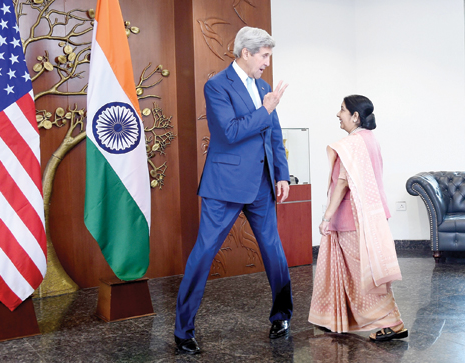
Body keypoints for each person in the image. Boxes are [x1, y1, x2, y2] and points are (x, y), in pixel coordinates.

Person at [174, 26, 293, 354]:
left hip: (262, 185)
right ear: (246, 53)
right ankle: (183, 330)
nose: (267, 62)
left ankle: (282, 315)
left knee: (274, 252)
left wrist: (281, 174)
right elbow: (228, 133)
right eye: (264, 55)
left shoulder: (264, 87)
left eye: (269, 55)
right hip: (224, 186)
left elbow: (274, 134)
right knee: (203, 253)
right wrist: (265, 109)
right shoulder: (216, 86)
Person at [308, 95, 408, 342]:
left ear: (355, 116)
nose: (338, 114)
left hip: (352, 219)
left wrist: (326, 217)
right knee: (361, 272)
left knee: (366, 276)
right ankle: (338, 319)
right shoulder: (370, 140)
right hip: (370, 215)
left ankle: (392, 323)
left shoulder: (351, 144)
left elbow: (342, 182)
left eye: (342, 110)